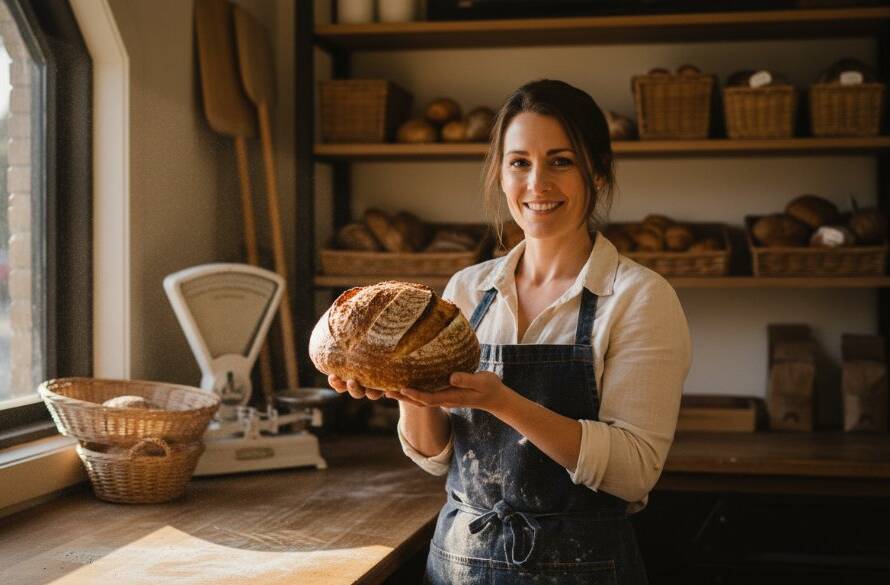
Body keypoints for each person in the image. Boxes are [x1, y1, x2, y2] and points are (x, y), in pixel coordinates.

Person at [328, 79, 692, 584]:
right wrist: (406, 391)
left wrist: (503, 402)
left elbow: (632, 473)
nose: (537, 184)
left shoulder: (638, 297)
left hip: (583, 568)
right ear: (501, 175)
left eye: (561, 161)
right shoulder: (469, 289)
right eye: (520, 162)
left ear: (599, 174)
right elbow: (435, 458)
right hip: (460, 564)